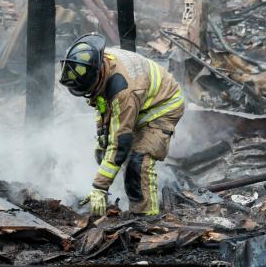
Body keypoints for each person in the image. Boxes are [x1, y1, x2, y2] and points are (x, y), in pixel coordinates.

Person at [59, 33, 184, 217]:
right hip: (140, 102)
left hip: (164, 106)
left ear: (97, 75)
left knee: (138, 158)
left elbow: (120, 142)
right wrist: (102, 140)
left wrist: (99, 187)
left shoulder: (123, 91)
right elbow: (103, 106)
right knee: (107, 151)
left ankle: (146, 217)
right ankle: (121, 193)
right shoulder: (99, 61)